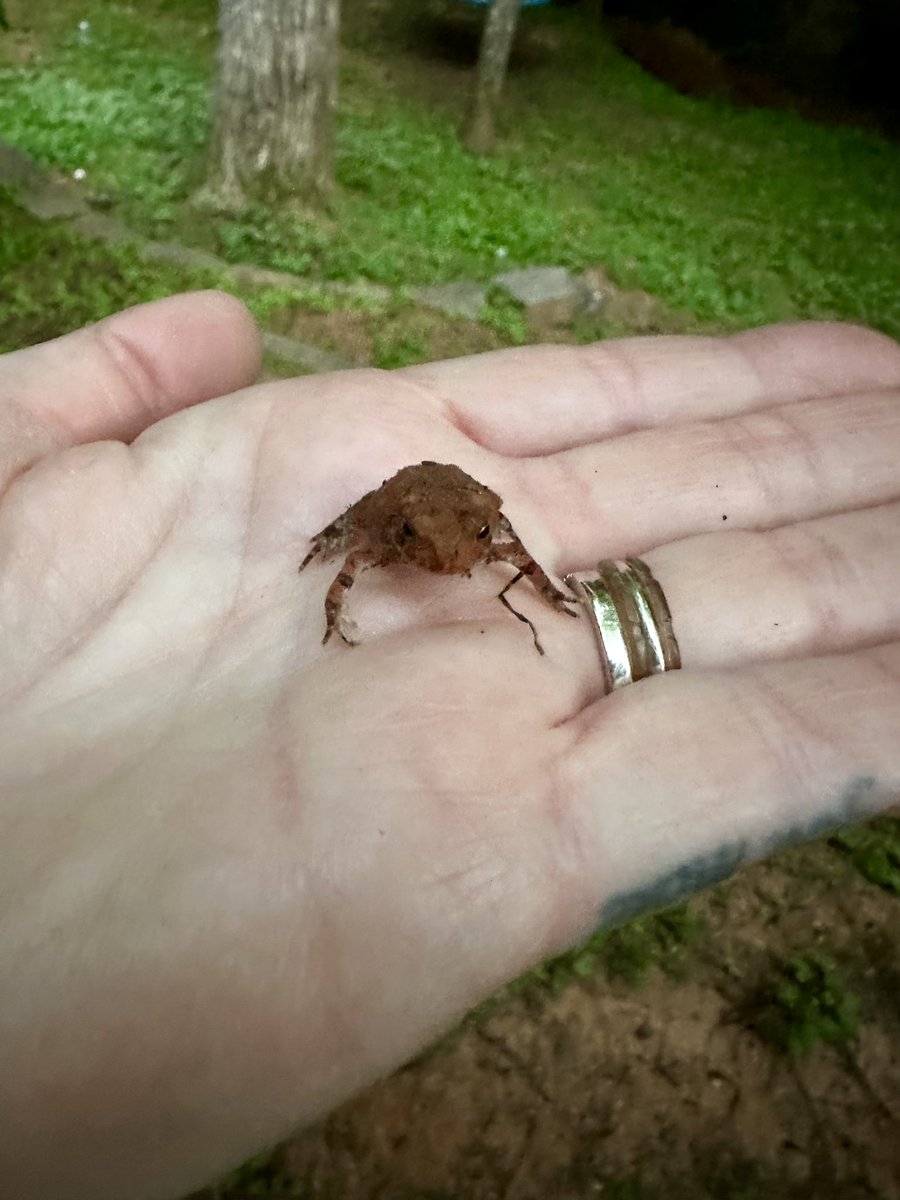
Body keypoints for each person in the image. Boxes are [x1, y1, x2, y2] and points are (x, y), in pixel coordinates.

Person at [1, 290, 897, 1200]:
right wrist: (334, 590)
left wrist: (551, 595)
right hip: (413, 494)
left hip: (454, 492)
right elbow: (357, 551)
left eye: (460, 547)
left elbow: (502, 536)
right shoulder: (389, 534)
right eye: (423, 547)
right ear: (402, 539)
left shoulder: (482, 533)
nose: (445, 563)